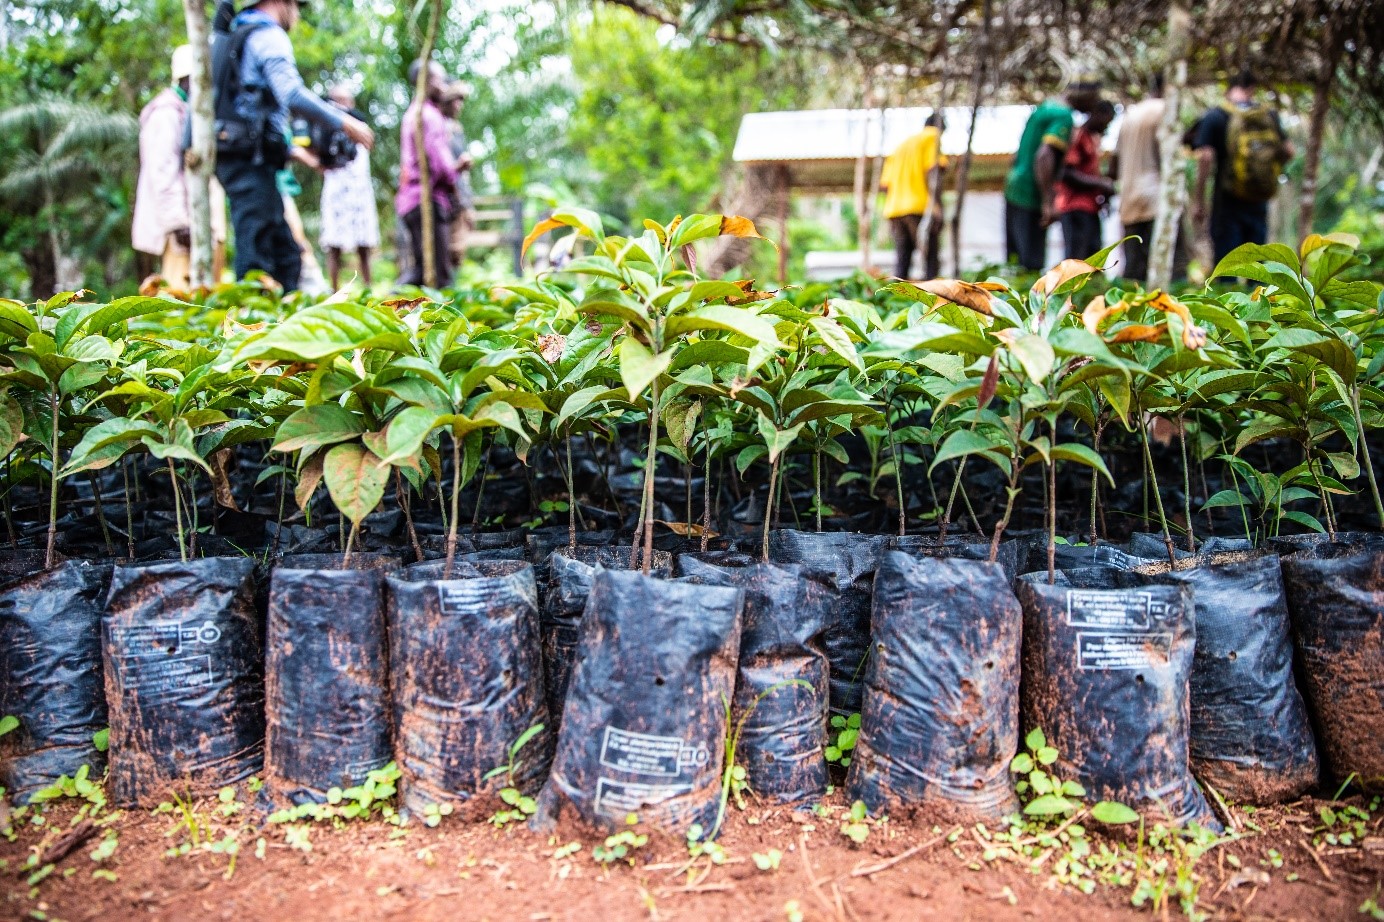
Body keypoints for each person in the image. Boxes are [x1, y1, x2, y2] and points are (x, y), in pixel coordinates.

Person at [211, 0, 373, 292]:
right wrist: (344, 122)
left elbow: (248, 109)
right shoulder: (267, 35)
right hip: (247, 160)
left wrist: (298, 154)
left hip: (247, 157)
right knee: (257, 253)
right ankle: (247, 326)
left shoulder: (241, 34)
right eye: (297, 6)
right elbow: (291, 93)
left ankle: (278, 322)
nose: (297, 14)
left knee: (286, 255)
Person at [134, 45, 227, 287]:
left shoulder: (193, 113)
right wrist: (178, 224)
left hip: (203, 223)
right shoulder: (165, 114)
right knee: (180, 298)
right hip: (183, 230)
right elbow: (162, 171)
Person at [1192, 70, 1292, 267]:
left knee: (1225, 266)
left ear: (1228, 88)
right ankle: (1257, 296)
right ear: (1252, 88)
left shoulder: (1216, 116)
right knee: (1256, 264)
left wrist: (1199, 199)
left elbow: (1205, 157)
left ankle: (1224, 296)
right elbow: (1289, 151)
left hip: (1226, 200)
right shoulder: (1267, 116)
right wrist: (1266, 170)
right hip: (1258, 198)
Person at [1003, 80, 1102, 271]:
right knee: (1030, 263)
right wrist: (1048, 201)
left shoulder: (1046, 107)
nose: (1094, 106)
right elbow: (1044, 156)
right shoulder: (1064, 116)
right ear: (1084, 96)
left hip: (1014, 186)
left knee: (1014, 262)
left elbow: (1018, 154)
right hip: (1030, 195)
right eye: (1094, 99)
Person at [396, 59, 459, 287]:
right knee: (438, 272)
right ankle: (389, 302)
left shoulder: (413, 113)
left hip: (413, 199)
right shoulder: (429, 116)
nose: (443, 86)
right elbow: (441, 165)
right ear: (427, 81)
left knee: (424, 267)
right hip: (426, 200)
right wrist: (455, 173)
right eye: (439, 79)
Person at [319, 84, 380, 289]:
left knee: (364, 241)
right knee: (333, 242)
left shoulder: (360, 124)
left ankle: (368, 287)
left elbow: (369, 144)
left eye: (347, 101)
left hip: (359, 189)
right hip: (336, 187)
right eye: (338, 101)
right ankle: (333, 290)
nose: (343, 106)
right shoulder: (325, 128)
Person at [880, 112, 947, 280]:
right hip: (919, 207)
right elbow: (934, 172)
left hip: (895, 210)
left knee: (903, 260)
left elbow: (885, 186)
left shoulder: (901, 146)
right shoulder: (932, 136)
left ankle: (896, 297)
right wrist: (937, 206)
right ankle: (935, 300)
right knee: (930, 259)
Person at [1055, 99, 1115, 261]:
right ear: (1097, 115)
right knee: (1076, 259)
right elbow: (1066, 173)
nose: (1107, 126)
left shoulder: (1092, 139)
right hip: (1074, 207)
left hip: (1090, 208)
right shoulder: (1078, 136)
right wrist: (1100, 183)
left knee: (1093, 256)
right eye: (1107, 121)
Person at [441, 80, 477, 272]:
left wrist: (468, 204)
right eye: (456, 100)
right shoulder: (439, 127)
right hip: (445, 195)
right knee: (447, 250)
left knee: (458, 251)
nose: (459, 105)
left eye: (461, 101)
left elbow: (463, 176)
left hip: (460, 196)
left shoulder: (457, 129)